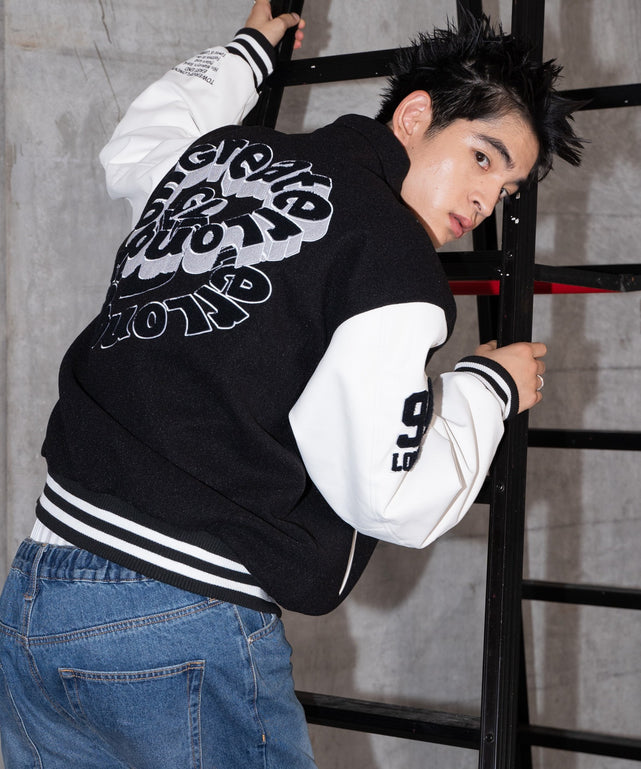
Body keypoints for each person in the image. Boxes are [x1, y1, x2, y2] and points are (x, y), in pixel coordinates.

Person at [0, 2, 583, 767]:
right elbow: (391, 496)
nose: (485, 202)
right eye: (482, 157)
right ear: (413, 117)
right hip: (181, 612)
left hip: (38, 592)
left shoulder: (220, 160)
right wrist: (487, 388)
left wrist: (247, 54)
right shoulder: (391, 262)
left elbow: (140, 141)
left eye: (505, 190)